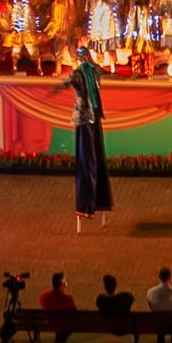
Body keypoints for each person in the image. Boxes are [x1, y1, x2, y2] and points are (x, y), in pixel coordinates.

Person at [66, 42, 112, 230]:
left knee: (90, 159)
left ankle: (93, 203)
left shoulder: (85, 72)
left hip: (88, 119)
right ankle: (91, 204)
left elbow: (69, 83)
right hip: (88, 118)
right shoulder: (91, 70)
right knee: (90, 159)